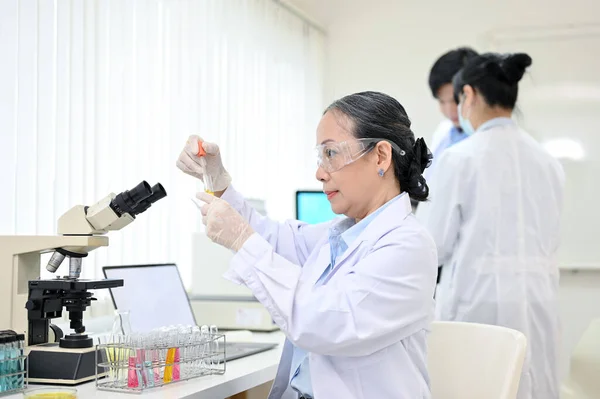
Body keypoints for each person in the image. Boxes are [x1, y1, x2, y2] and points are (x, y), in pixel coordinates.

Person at [177, 91, 437, 399]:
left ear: (380, 156)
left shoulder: (407, 246)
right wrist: (218, 181)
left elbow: (324, 322)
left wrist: (241, 239)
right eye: (320, 157)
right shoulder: (340, 237)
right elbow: (268, 237)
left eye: (331, 154)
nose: (319, 172)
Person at [420, 52, 564, 399]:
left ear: (468, 95)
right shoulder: (549, 162)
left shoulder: (459, 158)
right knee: (533, 386)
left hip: (476, 306)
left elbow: (433, 243)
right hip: (538, 305)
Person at [423, 47, 479, 184]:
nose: (449, 110)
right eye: (442, 101)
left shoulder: (488, 140)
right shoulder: (445, 131)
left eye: (456, 100)